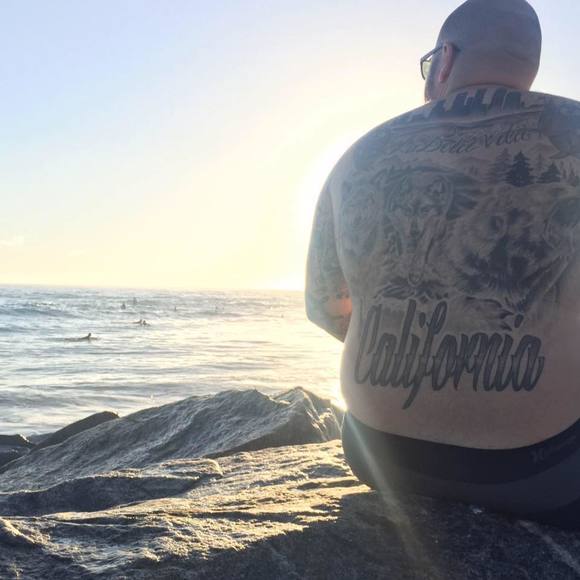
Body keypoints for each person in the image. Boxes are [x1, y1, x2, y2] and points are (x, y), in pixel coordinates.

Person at [306, 0, 580, 529]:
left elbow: (324, 307)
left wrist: (422, 358)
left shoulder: (355, 156)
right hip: (545, 475)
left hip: (377, 455)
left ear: (446, 59)